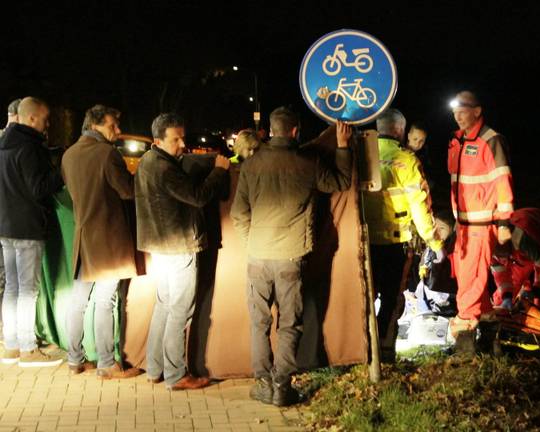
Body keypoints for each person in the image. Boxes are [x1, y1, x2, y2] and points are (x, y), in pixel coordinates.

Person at [230, 107, 353, 407]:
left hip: (258, 256)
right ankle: (282, 386)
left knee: (259, 322)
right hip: (290, 257)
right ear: (295, 131)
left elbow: (238, 214)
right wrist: (342, 146)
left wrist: (253, 243)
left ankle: (262, 383)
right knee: (289, 323)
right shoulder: (308, 162)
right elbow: (340, 182)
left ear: (270, 131)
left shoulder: (252, 164)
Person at [135, 113, 230, 390]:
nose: (182, 145)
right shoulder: (165, 168)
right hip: (178, 246)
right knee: (180, 310)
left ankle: (155, 368)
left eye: (182, 137)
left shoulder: (148, 162)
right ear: (158, 141)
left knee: (165, 306)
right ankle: (176, 375)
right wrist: (219, 170)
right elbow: (198, 197)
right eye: (175, 139)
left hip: (160, 245)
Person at [61, 105, 142, 378]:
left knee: (79, 300)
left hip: (83, 236)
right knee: (105, 301)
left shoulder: (69, 154)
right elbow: (127, 191)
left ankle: (75, 360)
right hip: (107, 237)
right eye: (112, 126)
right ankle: (107, 363)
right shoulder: (107, 154)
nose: (117, 132)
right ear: (95, 125)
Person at [364, 109, 444, 362]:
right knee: (391, 299)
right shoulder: (406, 160)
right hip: (394, 242)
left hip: (362, 242)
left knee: (365, 296)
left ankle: (363, 350)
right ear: (400, 130)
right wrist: (434, 242)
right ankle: (385, 353)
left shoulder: (361, 154)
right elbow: (420, 207)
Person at [447, 91, 514, 354]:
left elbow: (502, 181)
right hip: (463, 225)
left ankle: (464, 349)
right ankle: (488, 341)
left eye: (462, 109)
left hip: (480, 224)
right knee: (473, 282)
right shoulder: (457, 141)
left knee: (470, 283)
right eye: (454, 111)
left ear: (477, 111)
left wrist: (504, 222)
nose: (458, 115)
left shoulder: (490, 140)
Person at [0, 97, 64, 366]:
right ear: (33, 118)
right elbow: (39, 189)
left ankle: (11, 345)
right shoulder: (30, 147)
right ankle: (28, 349)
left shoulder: (4, 144)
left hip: (6, 225)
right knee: (28, 290)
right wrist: (60, 172)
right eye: (46, 118)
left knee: (12, 288)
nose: (48, 124)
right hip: (28, 227)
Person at [490, 208, 540, 332]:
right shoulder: (488, 248)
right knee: (501, 299)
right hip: (518, 252)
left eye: (500, 254)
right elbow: (501, 275)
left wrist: (537, 290)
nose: (498, 258)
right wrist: (507, 296)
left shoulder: (524, 239)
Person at [0, 98, 21, 342]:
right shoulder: (13, 143)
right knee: (10, 280)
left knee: (8, 280)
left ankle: (8, 331)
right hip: (10, 218)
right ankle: (10, 332)